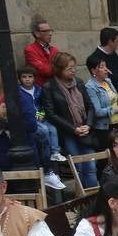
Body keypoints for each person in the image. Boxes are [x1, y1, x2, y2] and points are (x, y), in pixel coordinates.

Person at [44, 52, 97, 185]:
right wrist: (73, 129)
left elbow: (90, 105)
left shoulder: (78, 82)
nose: (73, 71)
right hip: (68, 133)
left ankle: (94, 198)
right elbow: (51, 114)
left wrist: (88, 125)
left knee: (91, 166)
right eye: (69, 68)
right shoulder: (49, 87)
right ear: (59, 70)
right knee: (77, 167)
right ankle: (83, 201)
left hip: (85, 131)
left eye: (74, 67)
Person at [85, 56, 118, 149]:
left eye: (106, 66)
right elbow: (97, 111)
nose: (106, 69)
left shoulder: (108, 81)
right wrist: (114, 109)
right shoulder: (90, 87)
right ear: (94, 71)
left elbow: (116, 99)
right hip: (104, 128)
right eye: (102, 67)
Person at [85, 27, 118, 104]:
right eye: (117, 41)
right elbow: (111, 80)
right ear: (110, 42)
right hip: (107, 102)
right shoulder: (94, 58)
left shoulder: (113, 54)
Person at [23, 16, 58, 86]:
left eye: (50, 30)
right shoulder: (30, 50)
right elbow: (46, 71)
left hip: (56, 86)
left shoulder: (55, 49)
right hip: (41, 89)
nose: (50, 33)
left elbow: (63, 67)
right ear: (36, 33)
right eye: (46, 31)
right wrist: (58, 69)